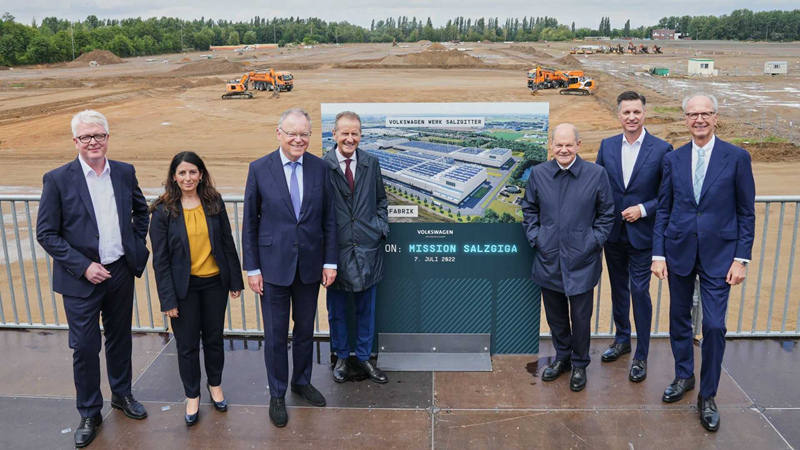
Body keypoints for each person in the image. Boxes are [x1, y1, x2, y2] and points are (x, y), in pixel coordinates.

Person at [36, 110, 150, 448]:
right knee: (85, 347)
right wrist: (84, 266)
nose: (93, 142)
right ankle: (89, 411)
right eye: (86, 137)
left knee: (120, 339)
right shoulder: (57, 179)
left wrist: (133, 245)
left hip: (119, 272)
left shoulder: (124, 172)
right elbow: (46, 233)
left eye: (98, 135)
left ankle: (122, 395)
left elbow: (141, 211)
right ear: (75, 141)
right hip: (81, 279)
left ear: (107, 138)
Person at [651, 94, 755, 432]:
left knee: (713, 326)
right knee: (679, 321)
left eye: (705, 113)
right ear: (685, 119)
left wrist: (741, 259)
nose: (699, 119)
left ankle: (708, 395)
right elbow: (664, 208)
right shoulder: (673, 159)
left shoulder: (737, 158)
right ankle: (684, 376)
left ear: (716, 117)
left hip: (719, 257)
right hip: (679, 251)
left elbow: (746, 212)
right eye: (693, 114)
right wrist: (658, 253)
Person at [242, 108, 338, 428]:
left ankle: (302, 381)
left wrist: (329, 261)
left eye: (304, 134)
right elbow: (249, 224)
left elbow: (329, 219)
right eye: (292, 133)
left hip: (310, 266)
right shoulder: (259, 169)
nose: (299, 139)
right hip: (273, 268)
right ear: (278, 133)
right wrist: (252, 268)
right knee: (275, 335)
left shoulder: (320, 168)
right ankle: (278, 393)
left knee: (305, 330)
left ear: (311, 136)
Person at [149, 151, 244, 426]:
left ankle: (215, 386)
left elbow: (227, 241)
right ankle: (192, 395)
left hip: (215, 283)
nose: (188, 178)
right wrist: (168, 300)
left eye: (193, 172)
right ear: (174, 177)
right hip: (183, 289)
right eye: (182, 173)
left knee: (214, 339)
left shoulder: (213, 201)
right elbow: (161, 260)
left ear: (201, 174)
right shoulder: (163, 210)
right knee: (187, 345)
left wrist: (235, 280)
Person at [521, 123, 614, 392]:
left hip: (582, 260)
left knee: (581, 318)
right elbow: (529, 210)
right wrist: (537, 238)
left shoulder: (596, 174)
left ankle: (580, 364)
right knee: (556, 316)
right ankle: (562, 358)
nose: (563, 150)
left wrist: (593, 241)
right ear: (551, 146)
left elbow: (607, 214)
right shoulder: (539, 174)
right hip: (549, 258)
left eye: (569, 145)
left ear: (578, 145)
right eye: (559, 145)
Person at [595, 91, 673, 383]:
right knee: (618, 290)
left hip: (643, 236)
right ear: (619, 115)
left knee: (640, 292)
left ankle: (641, 354)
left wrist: (642, 209)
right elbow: (600, 187)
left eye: (636, 112)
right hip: (613, 235)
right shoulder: (607, 146)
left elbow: (668, 195)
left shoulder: (663, 149)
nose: (631, 117)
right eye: (626, 112)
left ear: (644, 114)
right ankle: (621, 339)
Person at [322, 111, 390, 384]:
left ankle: (363, 357)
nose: (350, 138)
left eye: (355, 133)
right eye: (345, 133)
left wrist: (379, 229)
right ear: (334, 134)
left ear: (361, 135)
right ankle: (341, 357)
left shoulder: (371, 164)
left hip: (367, 248)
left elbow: (381, 201)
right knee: (337, 310)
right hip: (335, 252)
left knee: (366, 308)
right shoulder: (322, 166)